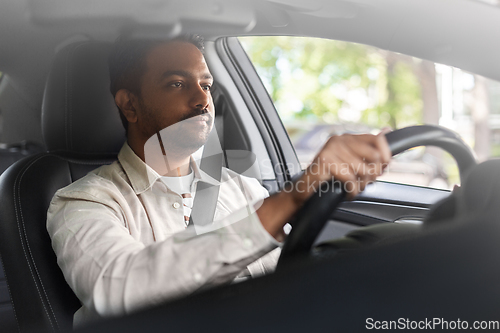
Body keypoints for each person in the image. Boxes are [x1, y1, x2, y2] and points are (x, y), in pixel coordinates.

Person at [46, 35, 391, 326]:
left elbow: (291, 280)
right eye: (177, 84)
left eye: (206, 85)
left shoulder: (240, 188)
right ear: (129, 105)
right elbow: (119, 291)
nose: (202, 100)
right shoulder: (84, 202)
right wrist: (287, 202)